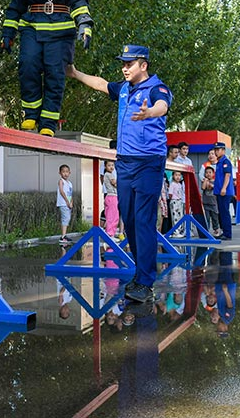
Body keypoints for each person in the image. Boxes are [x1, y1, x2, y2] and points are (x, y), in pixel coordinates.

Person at [67, 44, 173, 303]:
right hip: (125, 162)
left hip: (148, 162)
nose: (124, 68)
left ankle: (145, 282)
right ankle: (141, 273)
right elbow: (102, 84)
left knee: (143, 220)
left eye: (130, 64)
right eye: (123, 64)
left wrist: (149, 112)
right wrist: (75, 73)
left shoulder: (157, 88)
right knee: (130, 219)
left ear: (143, 65)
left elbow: (162, 106)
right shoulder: (124, 89)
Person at [0, 0, 94, 137]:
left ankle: (48, 123)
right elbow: (16, 5)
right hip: (32, 27)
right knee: (28, 66)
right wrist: (8, 33)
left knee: (54, 75)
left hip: (60, 32)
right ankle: (31, 114)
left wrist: (84, 25)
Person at [212, 142, 235, 240]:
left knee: (225, 212)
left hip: (224, 191)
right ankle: (224, 231)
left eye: (218, 149)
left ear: (223, 150)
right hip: (219, 191)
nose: (217, 151)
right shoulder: (219, 162)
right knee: (221, 212)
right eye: (216, 150)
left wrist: (224, 188)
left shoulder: (226, 161)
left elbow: (227, 175)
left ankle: (227, 233)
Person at [201, 166, 222, 238]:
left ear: (213, 173)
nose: (208, 174)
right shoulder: (204, 181)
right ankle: (206, 231)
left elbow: (212, 187)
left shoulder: (215, 181)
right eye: (206, 172)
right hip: (206, 203)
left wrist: (210, 184)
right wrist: (206, 181)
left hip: (213, 203)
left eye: (210, 172)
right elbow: (203, 188)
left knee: (215, 217)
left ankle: (216, 230)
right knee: (206, 218)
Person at [102, 160, 119, 237]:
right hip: (112, 196)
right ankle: (110, 234)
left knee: (110, 216)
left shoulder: (107, 174)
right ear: (105, 166)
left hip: (110, 196)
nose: (111, 167)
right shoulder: (109, 175)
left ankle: (110, 233)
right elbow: (115, 183)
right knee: (113, 217)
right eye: (109, 165)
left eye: (112, 165)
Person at [57, 164, 73, 242]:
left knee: (67, 218)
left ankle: (64, 235)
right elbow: (61, 191)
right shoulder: (61, 181)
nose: (65, 173)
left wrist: (71, 202)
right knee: (65, 218)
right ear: (60, 173)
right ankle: (63, 236)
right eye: (63, 172)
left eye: (67, 172)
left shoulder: (70, 183)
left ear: (69, 172)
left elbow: (70, 193)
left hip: (68, 204)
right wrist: (67, 201)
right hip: (63, 203)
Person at [167, 171, 185, 237]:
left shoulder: (180, 184)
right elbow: (170, 194)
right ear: (173, 176)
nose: (178, 177)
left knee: (180, 216)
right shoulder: (172, 184)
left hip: (180, 201)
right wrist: (172, 200)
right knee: (175, 217)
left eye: (179, 175)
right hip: (174, 201)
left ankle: (180, 230)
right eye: (176, 175)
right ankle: (175, 231)